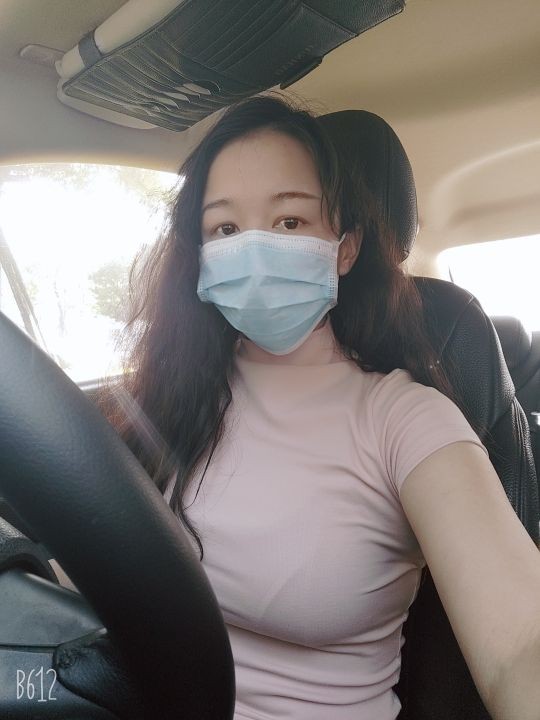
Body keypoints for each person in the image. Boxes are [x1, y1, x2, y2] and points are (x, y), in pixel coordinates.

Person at [103, 93, 540, 720]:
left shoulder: (406, 418)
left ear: (344, 249)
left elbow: (521, 642)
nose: (254, 250)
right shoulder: (173, 394)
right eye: (225, 229)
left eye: (289, 222)